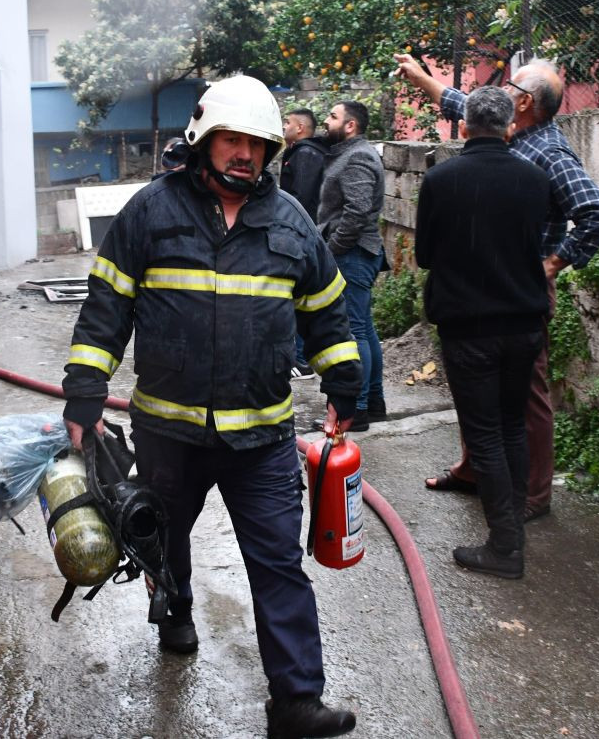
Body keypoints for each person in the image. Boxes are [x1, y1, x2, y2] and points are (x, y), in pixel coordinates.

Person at [61, 74, 362, 738]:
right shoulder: (150, 212)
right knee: (163, 540)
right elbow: (106, 308)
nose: (244, 155)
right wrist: (84, 391)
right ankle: (175, 614)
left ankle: (296, 700)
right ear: (203, 142)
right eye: (232, 140)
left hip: (261, 436)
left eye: (256, 144)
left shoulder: (292, 224)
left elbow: (328, 316)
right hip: (169, 431)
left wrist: (347, 389)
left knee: (279, 562)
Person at [397, 55, 599, 521]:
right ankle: (475, 471)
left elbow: (598, 212)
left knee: (526, 397)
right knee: (476, 390)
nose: (501, 93)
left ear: (524, 102)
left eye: (510, 86)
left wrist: (553, 264)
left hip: (519, 291)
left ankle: (532, 495)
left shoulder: (549, 153)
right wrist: (424, 80)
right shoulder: (509, 134)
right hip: (481, 287)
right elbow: (469, 105)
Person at [415, 87, 550, 579]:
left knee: (485, 434)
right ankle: (510, 532)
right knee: (512, 426)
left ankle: (505, 546)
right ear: (509, 126)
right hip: (523, 323)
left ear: (465, 126)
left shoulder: (442, 178)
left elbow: (426, 254)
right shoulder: (534, 178)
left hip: (469, 327)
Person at [317, 100, 387, 431]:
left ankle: (357, 409)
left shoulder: (357, 156)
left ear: (350, 126)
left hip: (354, 254)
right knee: (364, 327)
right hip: (358, 253)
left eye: (332, 116)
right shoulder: (351, 153)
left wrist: (331, 251)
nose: (325, 121)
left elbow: (356, 212)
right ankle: (374, 402)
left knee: (355, 330)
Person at [280, 108, 330, 378]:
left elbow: (300, 199)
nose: (283, 126)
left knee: (298, 297)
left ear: (300, 128)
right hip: (299, 236)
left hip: (299, 238)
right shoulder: (300, 152)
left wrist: (293, 235)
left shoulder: (307, 154)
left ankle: (301, 360)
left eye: (287, 122)